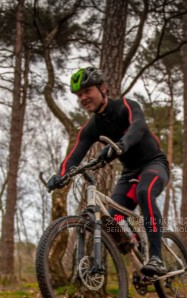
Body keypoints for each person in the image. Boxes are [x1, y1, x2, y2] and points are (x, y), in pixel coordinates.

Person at [47, 66, 170, 277]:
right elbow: (74, 156)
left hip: (154, 163)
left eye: (87, 91)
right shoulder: (91, 127)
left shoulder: (126, 106)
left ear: (103, 88)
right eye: (79, 95)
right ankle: (138, 248)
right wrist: (61, 175)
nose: (83, 97)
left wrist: (120, 145)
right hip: (130, 172)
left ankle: (157, 258)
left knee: (144, 192)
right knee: (112, 220)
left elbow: (138, 127)